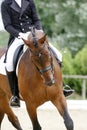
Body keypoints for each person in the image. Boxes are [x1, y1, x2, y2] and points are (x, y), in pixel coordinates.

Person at [1, 0, 74, 107]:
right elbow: (7, 25)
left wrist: (38, 32)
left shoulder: (29, 1)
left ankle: (61, 87)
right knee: (9, 63)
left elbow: (36, 19)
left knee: (58, 55)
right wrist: (20, 34)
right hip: (18, 37)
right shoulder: (5, 4)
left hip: (34, 35)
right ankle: (15, 95)